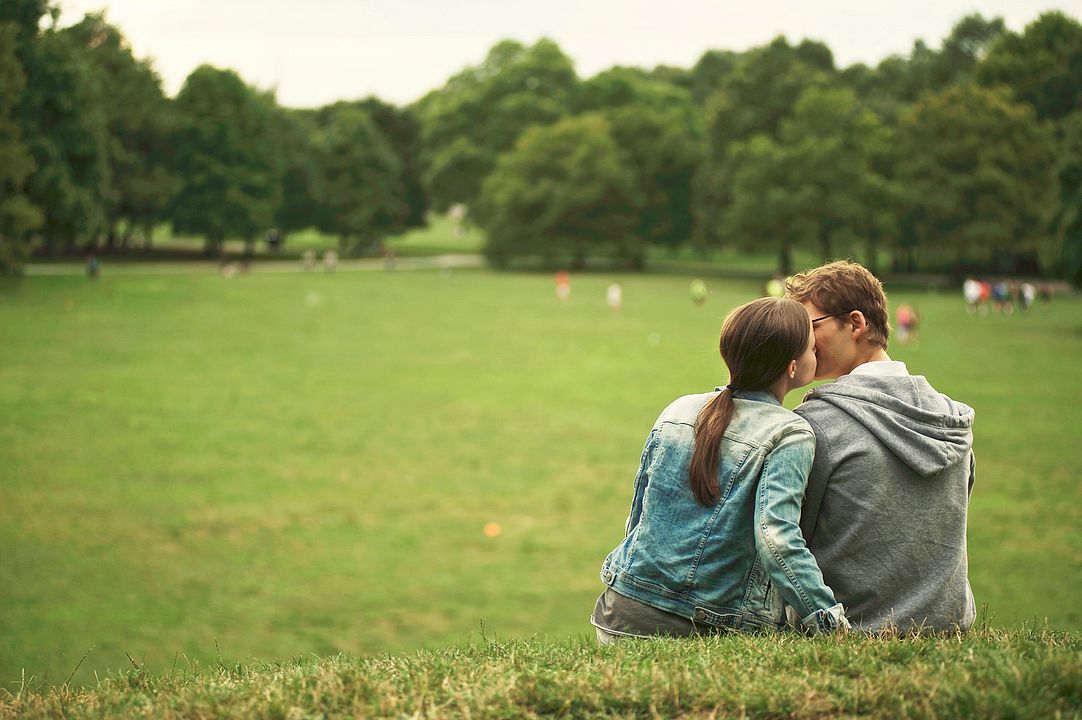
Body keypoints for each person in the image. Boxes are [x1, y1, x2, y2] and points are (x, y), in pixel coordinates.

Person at [592, 297, 849, 642]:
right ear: (792, 367)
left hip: (617, 612)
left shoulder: (678, 409)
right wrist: (830, 625)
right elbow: (777, 539)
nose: (816, 353)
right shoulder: (790, 432)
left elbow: (637, 517)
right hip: (700, 628)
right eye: (810, 348)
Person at [785, 261, 975, 633]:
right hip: (947, 625)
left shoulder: (820, 422)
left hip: (853, 628)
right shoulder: (953, 420)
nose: (800, 342)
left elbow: (787, 538)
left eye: (809, 327)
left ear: (855, 324)